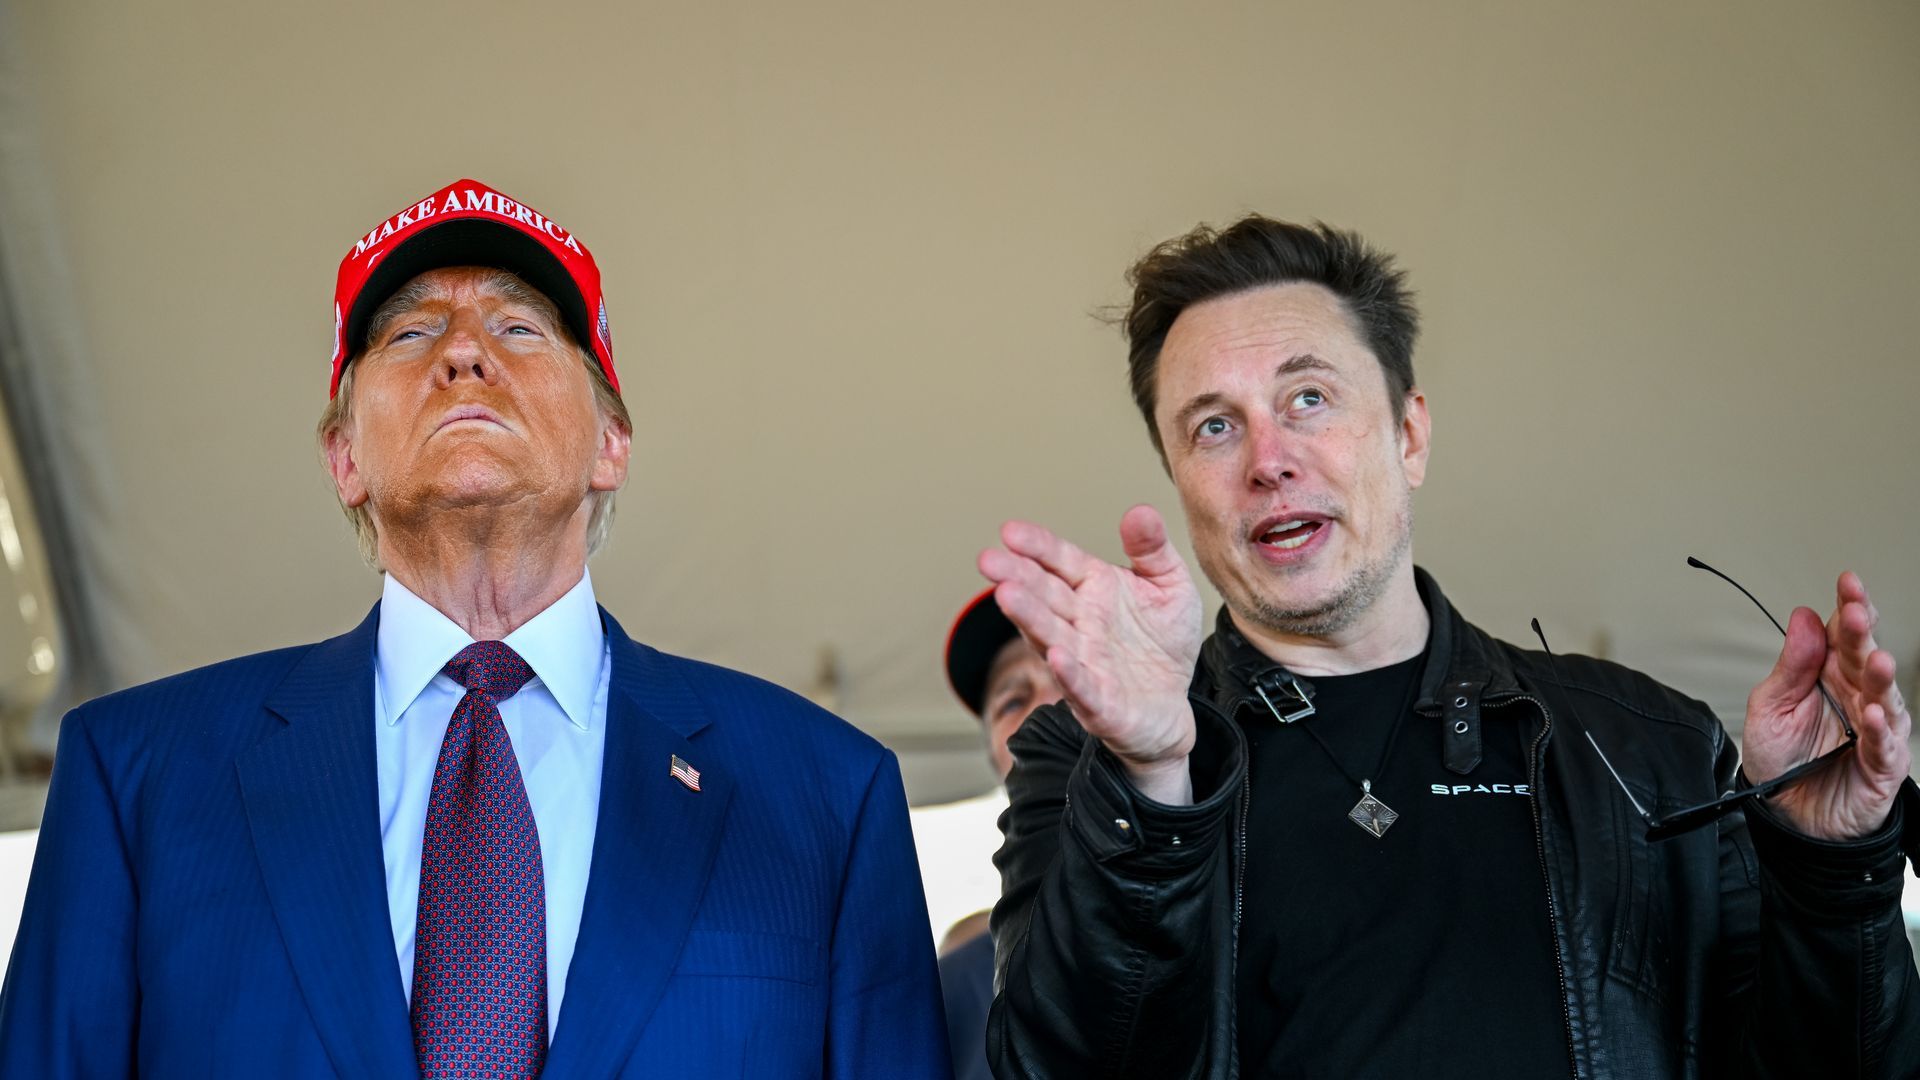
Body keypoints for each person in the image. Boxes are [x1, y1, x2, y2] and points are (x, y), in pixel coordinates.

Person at [0, 178, 949, 1079]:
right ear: (344, 458)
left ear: (611, 443)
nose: (462, 353)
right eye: (411, 331)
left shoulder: (824, 792)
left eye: (517, 326)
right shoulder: (138, 780)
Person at [978, 216, 1920, 1078]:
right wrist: (1152, 783)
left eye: (1308, 397)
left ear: (1411, 435)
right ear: (1178, 479)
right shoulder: (1088, 761)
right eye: (1214, 426)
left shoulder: (1649, 745)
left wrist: (1831, 865)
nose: (1268, 459)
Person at [937, 588, 1063, 1080]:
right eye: (1014, 700)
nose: (1047, 710)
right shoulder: (956, 985)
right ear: (995, 757)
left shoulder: (1238, 912)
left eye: (1075, 679)